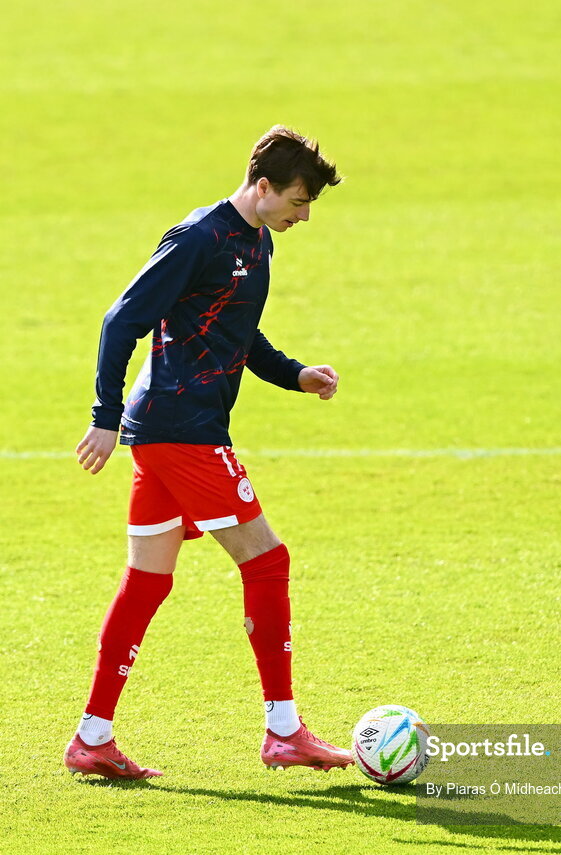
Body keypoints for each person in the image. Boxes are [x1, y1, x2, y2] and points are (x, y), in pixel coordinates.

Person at [64, 126, 354, 780]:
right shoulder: (198, 238)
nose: (303, 216)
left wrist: (295, 374)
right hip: (180, 430)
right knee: (268, 560)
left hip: (173, 429)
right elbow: (121, 319)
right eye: (299, 201)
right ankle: (284, 730)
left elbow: (236, 329)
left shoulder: (256, 240)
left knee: (148, 579)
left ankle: (92, 737)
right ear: (263, 186)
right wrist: (103, 419)